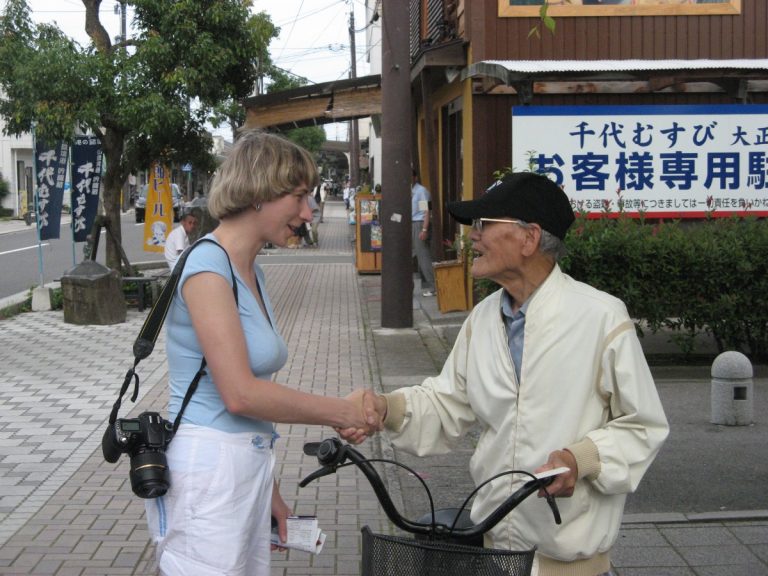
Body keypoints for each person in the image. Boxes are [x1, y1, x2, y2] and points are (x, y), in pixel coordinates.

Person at [344, 172, 669, 576]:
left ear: (529, 238)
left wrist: (579, 459)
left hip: (570, 562)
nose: (472, 237)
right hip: (494, 555)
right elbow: (446, 403)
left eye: (484, 225)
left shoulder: (601, 318)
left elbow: (643, 425)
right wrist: (385, 407)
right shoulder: (482, 319)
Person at [145, 130, 377, 576]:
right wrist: (341, 412)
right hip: (208, 471)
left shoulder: (249, 269)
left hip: (244, 465)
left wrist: (268, 492)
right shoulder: (207, 268)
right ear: (258, 193)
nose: (309, 212)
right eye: (298, 197)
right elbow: (240, 395)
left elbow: (249, 404)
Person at [411, 170, 435, 297]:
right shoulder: (408, 191)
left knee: (423, 256)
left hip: (419, 224)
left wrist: (424, 229)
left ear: (415, 177)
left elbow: (426, 212)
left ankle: (433, 287)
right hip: (409, 224)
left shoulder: (421, 191)